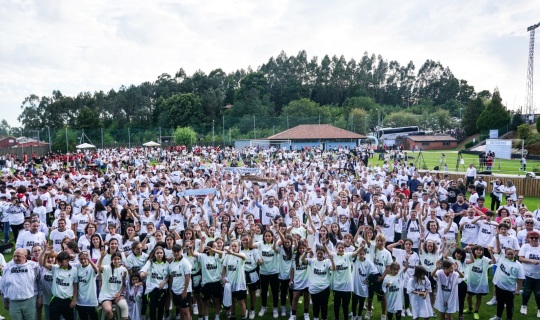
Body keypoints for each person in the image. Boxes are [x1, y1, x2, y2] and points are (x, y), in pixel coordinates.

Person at [0, 248, 40, 320]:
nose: (15, 258)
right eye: (14, 256)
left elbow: (39, 283)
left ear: (25, 256)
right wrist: (5, 300)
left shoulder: (33, 266)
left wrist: (40, 297)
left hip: (29, 300)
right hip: (13, 302)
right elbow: (3, 285)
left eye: (18, 256)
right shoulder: (8, 267)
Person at [41, 248, 78, 320]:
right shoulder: (55, 268)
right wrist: (45, 254)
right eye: (59, 261)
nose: (60, 263)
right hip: (55, 299)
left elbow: (75, 285)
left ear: (67, 260)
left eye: (61, 261)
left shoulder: (74, 270)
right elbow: (44, 264)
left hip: (68, 299)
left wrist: (74, 299)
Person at [489, 248, 525, 320]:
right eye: (508, 254)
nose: (510, 256)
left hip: (509, 289)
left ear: (515, 254)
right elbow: (498, 248)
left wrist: (518, 290)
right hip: (499, 286)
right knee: (500, 302)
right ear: (505, 254)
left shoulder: (518, 265)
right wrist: (497, 237)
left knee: (509, 305)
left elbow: (520, 279)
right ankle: (499, 316)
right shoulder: (502, 258)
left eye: (512, 254)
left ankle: (509, 318)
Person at [303, 244, 334, 320]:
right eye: (318, 253)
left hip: (324, 287)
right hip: (314, 288)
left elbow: (333, 268)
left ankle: (324, 318)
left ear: (324, 254)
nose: (319, 255)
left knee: (324, 305)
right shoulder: (312, 261)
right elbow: (302, 260)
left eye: (321, 253)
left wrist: (332, 260)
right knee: (315, 305)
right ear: (316, 253)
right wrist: (305, 253)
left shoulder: (327, 262)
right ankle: (316, 317)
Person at [140, 246, 170, 320]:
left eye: (161, 253)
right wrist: (143, 274)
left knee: (161, 307)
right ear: (154, 254)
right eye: (157, 253)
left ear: (163, 254)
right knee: (152, 308)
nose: (159, 254)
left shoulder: (166, 264)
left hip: (162, 289)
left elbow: (169, 275)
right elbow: (143, 271)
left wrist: (164, 281)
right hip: (151, 289)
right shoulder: (150, 262)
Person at [98, 250, 128, 320]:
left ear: (121, 260)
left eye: (118, 259)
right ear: (111, 260)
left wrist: (119, 293)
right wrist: (102, 257)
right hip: (106, 295)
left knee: (124, 306)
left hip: (118, 294)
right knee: (108, 310)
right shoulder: (107, 268)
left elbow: (124, 284)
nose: (117, 261)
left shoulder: (124, 270)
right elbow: (99, 266)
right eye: (115, 259)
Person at [222, 240, 247, 320]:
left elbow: (243, 257)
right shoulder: (227, 256)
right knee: (232, 301)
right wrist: (223, 277)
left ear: (239, 247)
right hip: (230, 283)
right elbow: (224, 267)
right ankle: (233, 316)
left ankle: (243, 317)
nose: (233, 247)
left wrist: (232, 253)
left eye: (235, 246)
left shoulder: (241, 254)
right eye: (232, 246)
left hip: (240, 283)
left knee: (241, 301)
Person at [518, 230, 540, 317]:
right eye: (532, 237)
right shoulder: (525, 246)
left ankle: (539, 308)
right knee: (526, 292)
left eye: (536, 238)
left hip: (538, 275)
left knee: (538, 293)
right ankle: (524, 305)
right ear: (528, 238)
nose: (534, 239)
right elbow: (520, 258)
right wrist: (531, 261)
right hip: (527, 274)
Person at [169, 244, 192, 320]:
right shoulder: (171, 264)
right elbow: (172, 277)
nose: (176, 253)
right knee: (180, 309)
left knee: (186, 310)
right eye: (174, 251)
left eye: (178, 251)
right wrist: (170, 290)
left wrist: (185, 290)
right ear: (172, 252)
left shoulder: (185, 262)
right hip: (175, 290)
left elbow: (188, 277)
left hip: (184, 290)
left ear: (181, 251)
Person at [76, 251, 99, 320]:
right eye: (81, 259)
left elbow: (97, 270)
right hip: (80, 300)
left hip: (90, 300)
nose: (83, 261)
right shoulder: (78, 267)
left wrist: (90, 260)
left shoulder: (91, 267)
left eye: (85, 259)